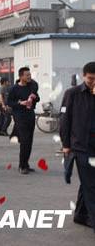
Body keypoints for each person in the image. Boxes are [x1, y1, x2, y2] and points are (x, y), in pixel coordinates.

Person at [60, 61, 95, 232]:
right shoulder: (72, 93)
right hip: (80, 147)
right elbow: (64, 121)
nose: (93, 83)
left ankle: (81, 215)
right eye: (90, 79)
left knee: (88, 183)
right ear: (84, 76)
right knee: (91, 185)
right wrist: (66, 145)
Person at [7, 67, 40, 174]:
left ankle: (26, 164)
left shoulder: (31, 86)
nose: (29, 77)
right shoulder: (14, 89)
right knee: (24, 141)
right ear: (21, 76)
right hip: (20, 117)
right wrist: (20, 103)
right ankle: (22, 166)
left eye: (30, 75)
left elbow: (38, 98)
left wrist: (34, 97)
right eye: (27, 75)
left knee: (29, 142)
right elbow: (9, 103)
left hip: (30, 116)